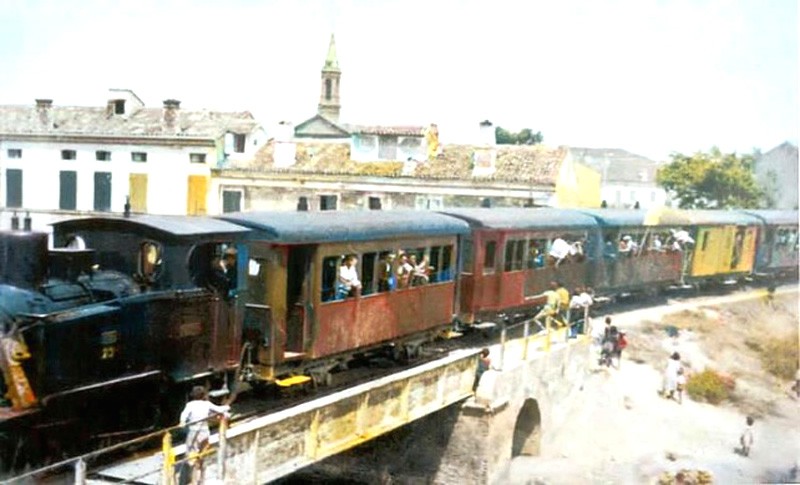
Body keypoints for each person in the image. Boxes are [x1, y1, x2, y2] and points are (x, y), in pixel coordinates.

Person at [179, 386, 231, 482]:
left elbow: (184, 414)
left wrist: (182, 422)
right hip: (205, 432)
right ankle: (201, 479)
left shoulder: (190, 405)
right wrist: (227, 407)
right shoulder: (207, 404)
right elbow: (219, 409)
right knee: (202, 455)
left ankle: (194, 479)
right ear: (203, 395)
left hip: (193, 433)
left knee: (192, 456)